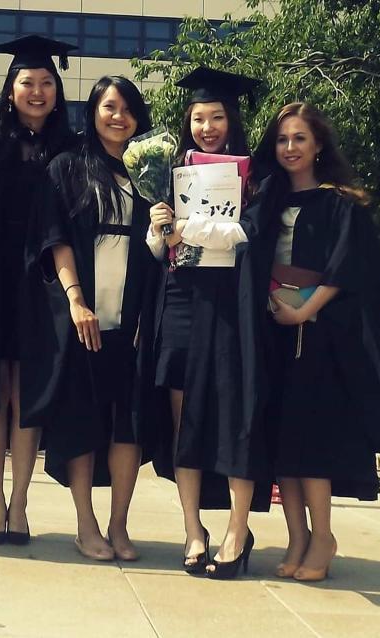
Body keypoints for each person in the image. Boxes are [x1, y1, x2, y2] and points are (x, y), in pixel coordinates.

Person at [253, 102, 380, 581]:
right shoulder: (267, 201)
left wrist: (303, 311)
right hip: (273, 333)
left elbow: (345, 269)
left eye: (298, 139)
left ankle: (324, 537)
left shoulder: (340, 202)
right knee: (282, 444)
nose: (289, 148)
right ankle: (296, 537)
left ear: (318, 145)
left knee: (311, 443)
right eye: (282, 139)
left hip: (317, 337)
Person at [145, 67, 272, 579]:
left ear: (231, 120)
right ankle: (192, 528)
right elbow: (160, 249)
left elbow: (247, 234)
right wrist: (160, 231)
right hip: (181, 300)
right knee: (185, 424)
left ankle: (237, 530)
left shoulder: (258, 177)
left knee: (235, 417)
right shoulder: (174, 171)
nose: (207, 126)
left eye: (216, 116)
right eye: (198, 117)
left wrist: (185, 227)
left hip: (233, 304)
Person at [22, 75, 154, 561]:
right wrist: (76, 299)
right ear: (94, 112)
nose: (118, 116)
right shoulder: (68, 167)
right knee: (80, 421)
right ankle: (86, 522)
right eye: (108, 107)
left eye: (126, 108)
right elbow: (55, 238)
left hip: (135, 318)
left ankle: (119, 524)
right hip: (86, 320)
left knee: (127, 425)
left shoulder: (152, 169)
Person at [0, 36, 78, 546]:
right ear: (11, 90)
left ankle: (20, 502)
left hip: (44, 287)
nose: (37, 91)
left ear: (58, 91)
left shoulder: (71, 149)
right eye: (27, 82)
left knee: (28, 394)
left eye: (46, 83)